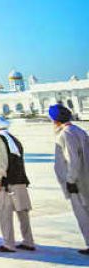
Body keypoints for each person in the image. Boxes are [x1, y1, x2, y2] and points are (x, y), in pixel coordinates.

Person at [0, 115, 35, 253]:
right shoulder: (13, 139)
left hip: (7, 182)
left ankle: (8, 244)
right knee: (22, 212)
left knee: (5, 213)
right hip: (20, 180)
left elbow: (2, 161)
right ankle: (28, 241)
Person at [50, 103, 89, 255]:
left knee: (83, 214)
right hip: (85, 178)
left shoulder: (66, 134)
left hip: (77, 183)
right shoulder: (79, 130)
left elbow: (73, 160)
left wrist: (71, 181)